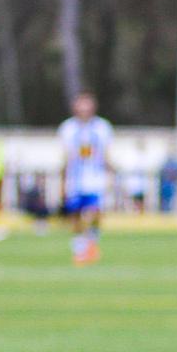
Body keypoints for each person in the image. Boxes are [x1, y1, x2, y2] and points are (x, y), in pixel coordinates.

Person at [58, 91, 114, 265]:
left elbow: (106, 154)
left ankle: (92, 244)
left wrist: (111, 175)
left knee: (95, 212)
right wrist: (62, 181)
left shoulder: (102, 127)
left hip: (94, 179)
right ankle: (79, 248)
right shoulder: (67, 128)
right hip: (75, 180)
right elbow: (65, 157)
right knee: (75, 214)